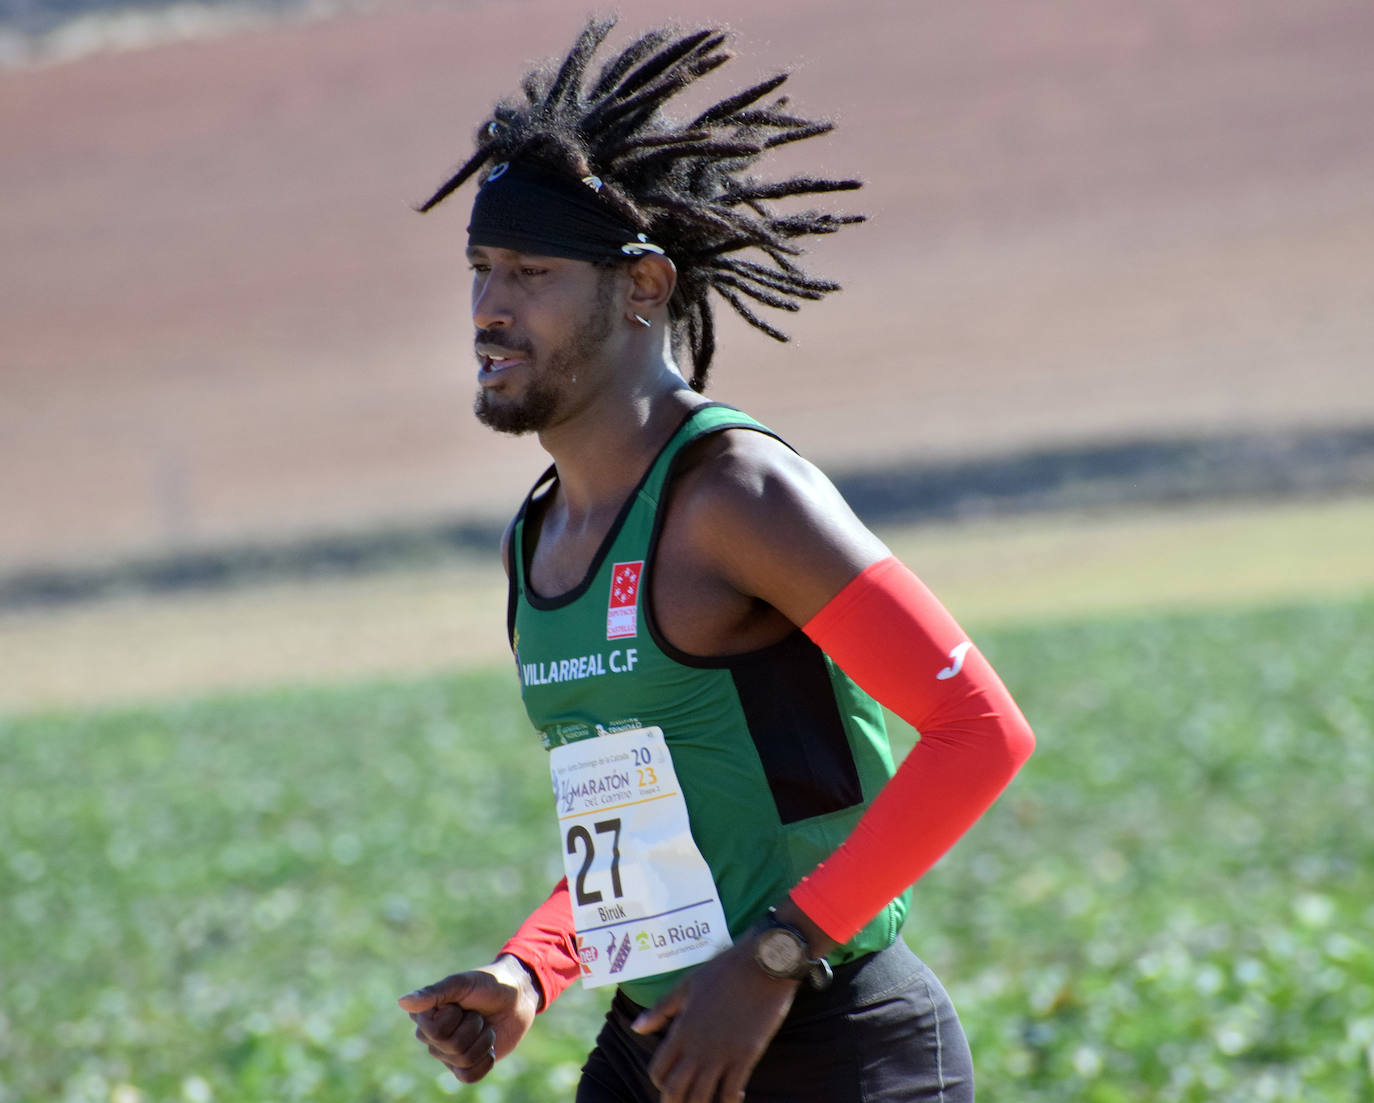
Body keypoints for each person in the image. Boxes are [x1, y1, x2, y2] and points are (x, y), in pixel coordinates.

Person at [397, 20, 1034, 1103]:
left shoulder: (735, 492)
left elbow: (982, 733)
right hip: (659, 1046)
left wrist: (780, 953)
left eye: (532, 272)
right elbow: (652, 830)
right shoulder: (541, 532)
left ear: (643, 286)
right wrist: (532, 967)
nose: (490, 309)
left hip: (841, 1046)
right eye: (480, 270)